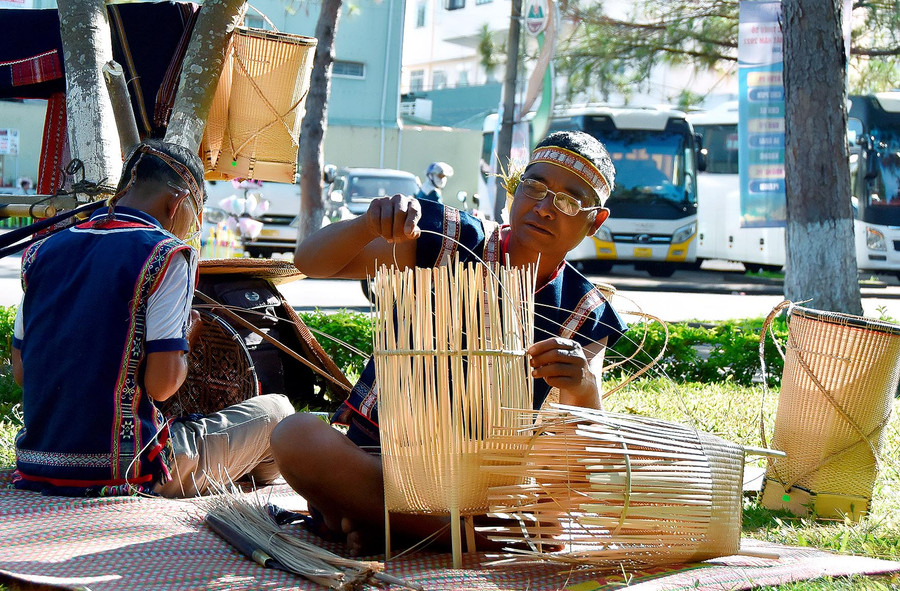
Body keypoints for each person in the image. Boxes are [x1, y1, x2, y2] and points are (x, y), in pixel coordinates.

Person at [273, 130, 626, 554]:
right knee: (296, 437)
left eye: (570, 201)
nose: (546, 207)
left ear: (595, 221)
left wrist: (583, 386)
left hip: (476, 488)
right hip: (380, 461)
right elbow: (310, 260)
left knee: (562, 503)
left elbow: (586, 437)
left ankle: (377, 521)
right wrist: (370, 222)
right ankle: (443, 533)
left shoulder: (585, 310)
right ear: (515, 188)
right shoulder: (449, 239)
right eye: (534, 186)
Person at [11, 139, 293, 498]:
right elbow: (162, 386)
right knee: (279, 413)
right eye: (195, 213)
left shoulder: (41, 251)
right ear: (176, 203)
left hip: (37, 464)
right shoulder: (166, 254)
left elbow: (23, 372)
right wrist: (185, 339)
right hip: (129, 470)